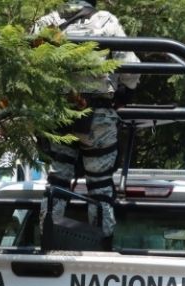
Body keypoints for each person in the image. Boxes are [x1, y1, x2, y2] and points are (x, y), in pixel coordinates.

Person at [33, 0, 140, 243]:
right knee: (101, 185)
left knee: (57, 181)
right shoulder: (105, 21)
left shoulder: (46, 22)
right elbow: (131, 67)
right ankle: (101, 247)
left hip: (57, 114)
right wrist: (125, 92)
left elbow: (26, 65)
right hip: (97, 117)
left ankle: (46, 241)